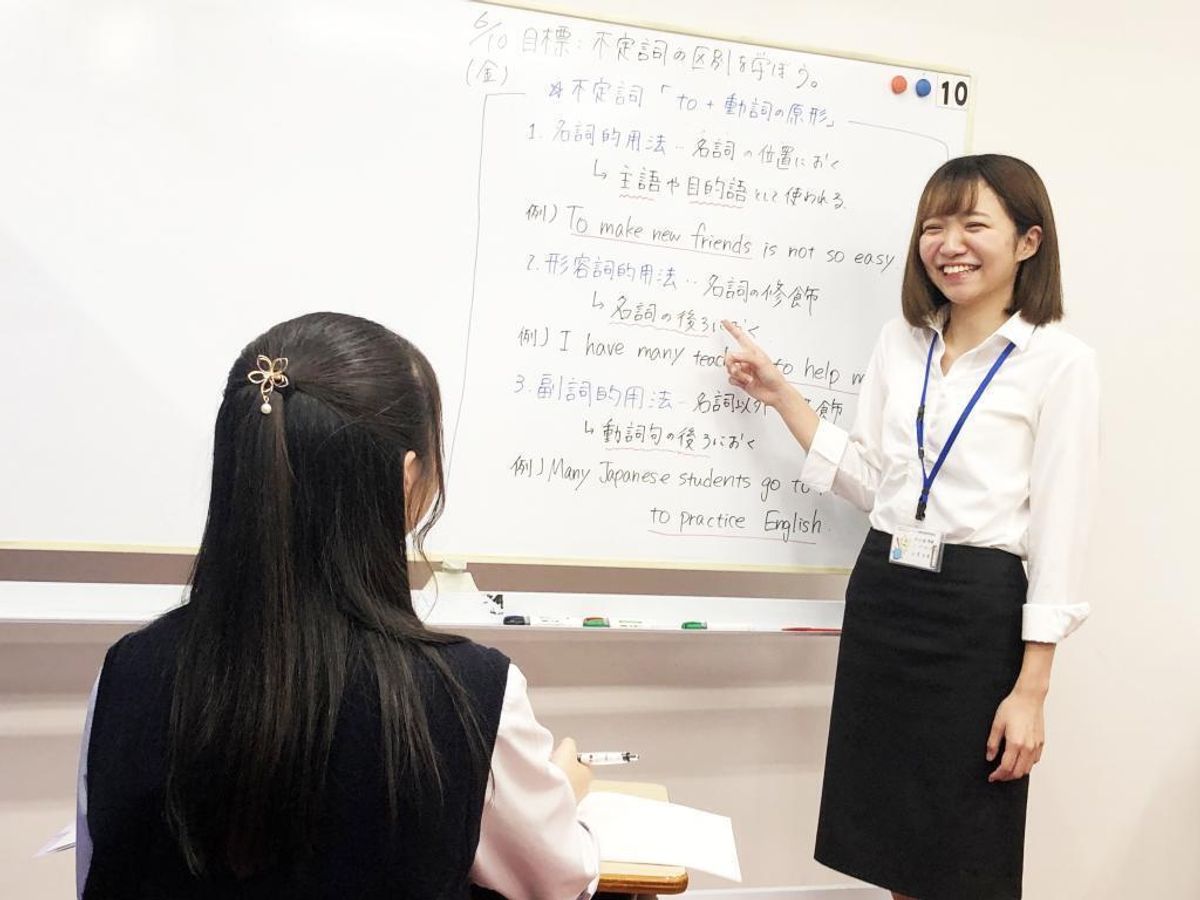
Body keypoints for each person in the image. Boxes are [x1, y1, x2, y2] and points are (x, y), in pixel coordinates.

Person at [75, 312, 600, 899]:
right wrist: (567, 796)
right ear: (406, 478)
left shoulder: (126, 673)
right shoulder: (472, 694)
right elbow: (558, 880)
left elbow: (99, 873)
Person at [723, 154, 1099, 900]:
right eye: (934, 225)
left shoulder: (1061, 362)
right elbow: (872, 481)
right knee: (896, 851)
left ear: (1028, 242)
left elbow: (1061, 531)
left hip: (977, 613)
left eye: (972, 224)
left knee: (966, 857)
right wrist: (780, 396)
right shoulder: (904, 342)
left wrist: (1032, 690)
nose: (948, 243)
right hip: (887, 594)